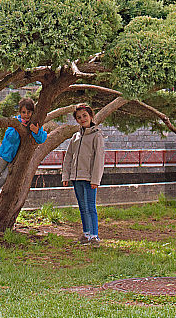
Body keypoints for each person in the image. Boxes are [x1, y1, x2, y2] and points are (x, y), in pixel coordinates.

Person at [0, 98, 47, 203]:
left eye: (29, 112)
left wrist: (36, 131)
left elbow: (41, 139)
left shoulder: (33, 124)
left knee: (5, 175)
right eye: (23, 112)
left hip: (16, 157)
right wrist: (18, 128)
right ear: (19, 112)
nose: (26, 115)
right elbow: (9, 137)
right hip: (6, 153)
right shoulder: (15, 122)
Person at [61, 103, 105, 245]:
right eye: (79, 117)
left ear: (91, 116)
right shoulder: (75, 137)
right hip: (76, 177)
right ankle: (86, 234)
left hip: (89, 178)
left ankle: (94, 236)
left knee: (90, 207)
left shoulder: (97, 135)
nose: (82, 119)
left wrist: (95, 179)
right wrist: (66, 175)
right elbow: (69, 156)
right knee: (82, 207)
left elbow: (99, 159)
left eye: (85, 116)